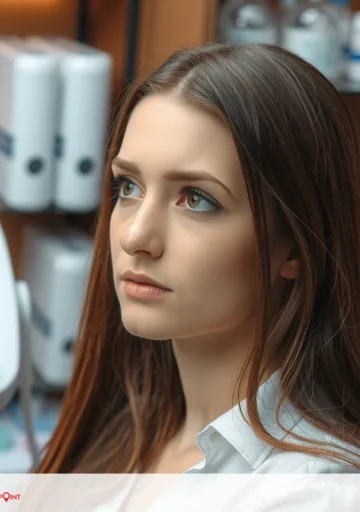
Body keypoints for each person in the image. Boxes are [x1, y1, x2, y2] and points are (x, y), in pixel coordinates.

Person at [36, 42, 360, 475]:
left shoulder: (306, 493)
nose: (136, 237)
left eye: (197, 199)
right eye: (128, 187)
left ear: (295, 247)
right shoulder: (125, 428)